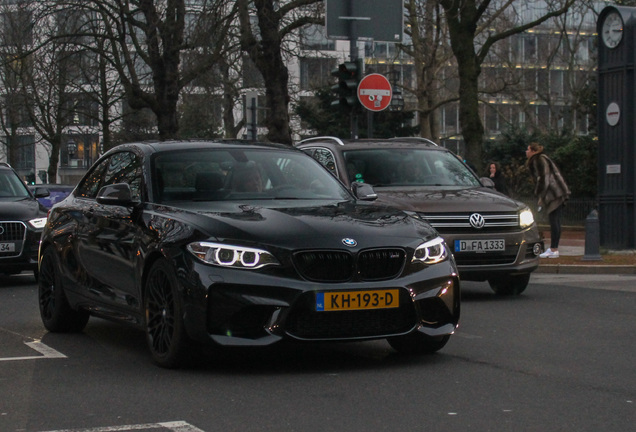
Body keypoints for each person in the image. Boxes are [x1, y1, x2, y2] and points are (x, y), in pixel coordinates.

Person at [525, 142, 570, 258]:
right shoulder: (541, 159)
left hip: (554, 193)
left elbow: (543, 179)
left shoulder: (539, 160)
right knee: (555, 220)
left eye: (528, 149)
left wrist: (540, 195)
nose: (526, 152)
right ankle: (554, 248)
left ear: (533, 151)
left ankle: (554, 249)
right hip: (557, 191)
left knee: (554, 220)